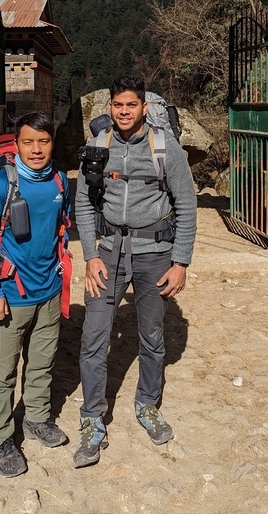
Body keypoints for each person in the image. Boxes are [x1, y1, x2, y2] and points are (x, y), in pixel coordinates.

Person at [74, 76, 197, 468]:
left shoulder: (165, 147)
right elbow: (83, 203)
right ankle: (92, 417)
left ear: (144, 107)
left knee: (152, 336)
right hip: (108, 255)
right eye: (117, 104)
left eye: (131, 104)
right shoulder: (98, 146)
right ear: (110, 107)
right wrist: (90, 255)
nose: (124, 111)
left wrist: (180, 262)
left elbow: (186, 204)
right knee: (94, 336)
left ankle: (147, 404)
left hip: (155, 255)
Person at [0, 110, 70, 477]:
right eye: (28, 142)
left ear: (52, 144)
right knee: (2, 373)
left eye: (43, 141)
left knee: (42, 363)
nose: (36, 149)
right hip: (10, 296)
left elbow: (60, 230)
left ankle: (37, 419)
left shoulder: (60, 180)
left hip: (49, 291)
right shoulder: (0, 185)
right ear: (16, 145)